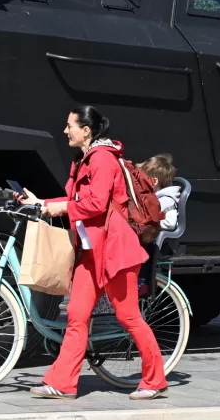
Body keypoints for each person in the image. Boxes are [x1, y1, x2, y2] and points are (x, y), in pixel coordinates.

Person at [18, 106, 168, 400]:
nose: (65, 130)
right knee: (76, 315)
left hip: (116, 251)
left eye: (69, 125)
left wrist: (58, 208)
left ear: (86, 130)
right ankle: (62, 383)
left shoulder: (102, 159)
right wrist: (41, 202)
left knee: (128, 317)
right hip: (91, 251)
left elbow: (96, 204)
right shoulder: (84, 160)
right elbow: (77, 199)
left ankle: (155, 380)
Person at [137, 153, 180, 232]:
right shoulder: (154, 198)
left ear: (154, 181)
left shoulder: (166, 200)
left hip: (157, 240)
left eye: (142, 180)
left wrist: (148, 224)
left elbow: (170, 223)